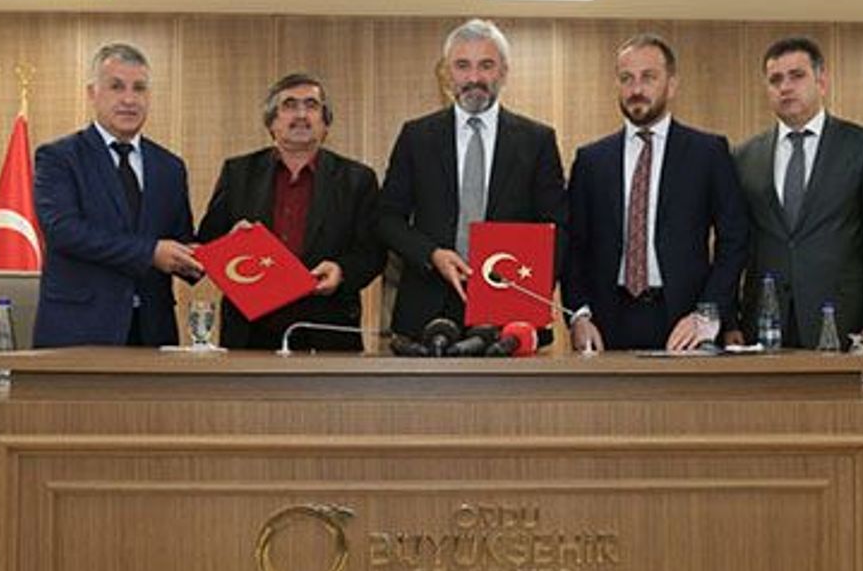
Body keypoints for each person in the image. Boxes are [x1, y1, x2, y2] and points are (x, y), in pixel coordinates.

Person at [377, 18, 566, 341]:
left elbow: (557, 227)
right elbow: (386, 218)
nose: (474, 78)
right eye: (462, 66)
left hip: (510, 308)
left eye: (486, 66)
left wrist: (532, 289)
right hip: (427, 309)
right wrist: (432, 254)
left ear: (504, 72)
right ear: (447, 73)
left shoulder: (537, 140)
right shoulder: (417, 137)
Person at [563, 33, 748, 351]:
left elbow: (735, 239)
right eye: (627, 78)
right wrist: (578, 315)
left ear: (671, 85)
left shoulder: (708, 153)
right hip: (605, 325)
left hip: (686, 323)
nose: (636, 89)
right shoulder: (591, 160)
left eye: (648, 77)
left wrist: (707, 314)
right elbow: (573, 247)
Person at [731, 36, 863, 354]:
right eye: (775, 80)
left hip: (842, 327)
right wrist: (730, 322)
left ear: (821, 82)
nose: (785, 87)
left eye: (796, 76)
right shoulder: (744, 157)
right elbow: (733, 247)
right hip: (763, 328)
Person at [196, 72, 385, 351]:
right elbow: (206, 241)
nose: (301, 115)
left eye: (311, 105)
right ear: (272, 122)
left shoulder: (357, 179)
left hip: (327, 330)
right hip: (250, 333)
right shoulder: (238, 173)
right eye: (289, 105)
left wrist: (341, 271)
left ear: (325, 123)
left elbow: (373, 252)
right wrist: (229, 243)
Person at [33, 42, 202, 348]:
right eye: (116, 87)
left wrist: (222, 252)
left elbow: (179, 240)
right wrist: (149, 252)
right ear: (92, 93)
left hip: (152, 330)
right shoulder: (59, 157)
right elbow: (63, 231)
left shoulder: (170, 167)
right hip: (79, 329)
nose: (129, 99)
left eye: (139, 88)